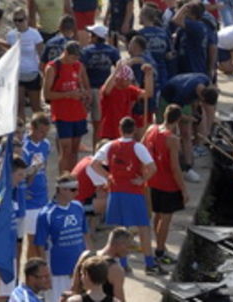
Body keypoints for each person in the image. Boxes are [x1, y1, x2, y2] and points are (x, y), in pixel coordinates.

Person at [90, 117, 166, 276]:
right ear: (134, 130)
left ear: (120, 129)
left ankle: (123, 264)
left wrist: (108, 176)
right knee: (143, 227)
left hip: (115, 191)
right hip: (133, 191)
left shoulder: (110, 145)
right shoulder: (138, 147)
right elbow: (153, 167)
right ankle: (149, 264)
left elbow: (94, 164)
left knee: (120, 229)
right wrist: (143, 179)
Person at [34, 174, 90, 302]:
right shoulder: (46, 214)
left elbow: (85, 235)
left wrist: (90, 259)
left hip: (79, 268)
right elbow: (40, 245)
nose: (77, 193)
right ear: (62, 190)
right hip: (57, 272)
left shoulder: (78, 207)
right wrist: (44, 272)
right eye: (73, 190)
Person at [144, 105, 188, 265]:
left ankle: (159, 245)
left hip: (152, 180)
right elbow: (175, 168)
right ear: (178, 119)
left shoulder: (151, 129)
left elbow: (142, 149)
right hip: (168, 184)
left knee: (157, 215)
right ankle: (160, 251)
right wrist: (184, 189)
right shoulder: (173, 139)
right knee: (166, 218)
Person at [0, 158, 28, 302]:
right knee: (1, 296)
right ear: (9, 172)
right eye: (19, 175)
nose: (22, 179)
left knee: (5, 294)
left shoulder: (7, 191)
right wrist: (1, 256)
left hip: (7, 251)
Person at [160, 73, 219, 182]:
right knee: (171, 134)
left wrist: (195, 111)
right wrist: (189, 118)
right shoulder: (184, 92)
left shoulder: (205, 80)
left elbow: (195, 100)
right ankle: (173, 164)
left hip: (186, 100)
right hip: (168, 99)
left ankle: (188, 166)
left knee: (186, 134)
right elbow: (176, 112)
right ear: (202, 97)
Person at [43, 41, 91, 174]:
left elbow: (83, 85)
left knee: (75, 150)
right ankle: (63, 178)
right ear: (65, 53)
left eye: (77, 57)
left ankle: (73, 177)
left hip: (78, 113)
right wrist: (68, 94)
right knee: (66, 150)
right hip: (62, 115)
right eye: (73, 57)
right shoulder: (53, 68)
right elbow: (47, 94)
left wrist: (84, 94)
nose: (75, 60)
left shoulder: (78, 66)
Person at [81, 24, 121, 146]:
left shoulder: (86, 51)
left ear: (95, 37)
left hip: (89, 89)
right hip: (105, 90)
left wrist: (85, 88)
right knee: (101, 123)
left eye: (91, 35)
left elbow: (81, 71)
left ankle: (91, 148)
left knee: (88, 123)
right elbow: (119, 68)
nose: (89, 37)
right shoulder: (112, 51)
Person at [23, 113, 53, 260]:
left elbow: (44, 167)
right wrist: (33, 170)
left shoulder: (46, 144)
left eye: (46, 132)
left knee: (42, 238)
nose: (44, 135)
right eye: (41, 131)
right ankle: (31, 268)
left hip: (43, 197)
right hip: (30, 200)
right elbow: (21, 176)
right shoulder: (23, 147)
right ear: (32, 128)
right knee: (33, 240)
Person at [70, 229, 130, 301]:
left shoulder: (85, 255)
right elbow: (120, 299)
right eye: (128, 246)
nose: (129, 251)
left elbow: (74, 288)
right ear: (119, 245)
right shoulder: (116, 270)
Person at [6, 9, 45, 120]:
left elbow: (41, 54)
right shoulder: (11, 35)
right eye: (15, 20)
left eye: (20, 20)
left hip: (32, 72)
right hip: (17, 74)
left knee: (35, 106)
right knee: (19, 106)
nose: (18, 23)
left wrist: (43, 73)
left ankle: (40, 127)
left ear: (26, 19)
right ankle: (21, 128)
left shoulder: (34, 34)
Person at [99, 63, 153, 141]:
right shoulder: (110, 89)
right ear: (120, 79)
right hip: (108, 131)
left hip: (124, 130)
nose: (130, 82)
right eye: (128, 80)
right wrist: (116, 71)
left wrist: (148, 75)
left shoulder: (130, 89)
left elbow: (148, 93)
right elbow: (106, 90)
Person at [171, 1, 215, 77]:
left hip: (194, 68)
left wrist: (184, 6)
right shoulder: (187, 27)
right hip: (185, 67)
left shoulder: (196, 25)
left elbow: (176, 20)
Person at [125, 35, 158, 133]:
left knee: (138, 135)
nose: (128, 45)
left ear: (136, 46)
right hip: (150, 104)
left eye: (130, 43)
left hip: (140, 106)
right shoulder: (149, 58)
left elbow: (136, 87)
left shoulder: (137, 63)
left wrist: (128, 108)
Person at [138, 5, 173, 88]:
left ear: (144, 17)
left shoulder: (140, 34)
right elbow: (169, 52)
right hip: (162, 69)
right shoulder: (163, 32)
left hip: (147, 70)